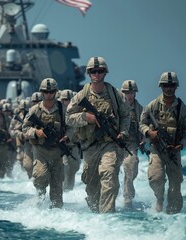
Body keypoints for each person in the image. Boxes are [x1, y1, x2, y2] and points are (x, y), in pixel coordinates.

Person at [66, 56, 131, 213]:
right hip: (90, 146)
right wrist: (85, 117)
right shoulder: (81, 96)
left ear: (105, 73)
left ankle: (107, 215)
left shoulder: (116, 95)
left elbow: (126, 116)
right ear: (89, 73)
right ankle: (96, 214)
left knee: (108, 175)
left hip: (111, 144)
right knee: (92, 185)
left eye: (100, 71)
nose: (97, 74)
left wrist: (123, 131)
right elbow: (68, 118)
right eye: (93, 71)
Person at [139, 71, 186, 214]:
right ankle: (159, 198)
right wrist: (149, 133)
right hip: (157, 149)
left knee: (175, 186)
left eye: (171, 85)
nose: (169, 88)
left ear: (176, 87)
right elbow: (142, 123)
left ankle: (172, 214)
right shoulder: (153, 105)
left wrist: (180, 145)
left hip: (173, 152)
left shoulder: (182, 109)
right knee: (156, 178)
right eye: (165, 85)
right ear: (161, 86)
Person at [22, 78, 74, 208]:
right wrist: (36, 132)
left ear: (55, 92)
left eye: (51, 92)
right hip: (40, 151)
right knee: (40, 176)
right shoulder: (35, 110)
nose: (49, 94)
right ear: (42, 92)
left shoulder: (63, 109)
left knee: (57, 185)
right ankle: (39, 200)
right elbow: (25, 129)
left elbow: (71, 127)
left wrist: (67, 136)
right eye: (46, 92)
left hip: (57, 152)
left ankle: (56, 214)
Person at [120, 80, 145, 209]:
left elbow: (145, 125)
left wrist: (143, 139)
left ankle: (127, 197)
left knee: (132, 168)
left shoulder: (139, 109)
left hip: (131, 144)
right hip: (115, 143)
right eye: (126, 92)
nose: (129, 95)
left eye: (131, 92)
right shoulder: (116, 105)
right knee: (108, 171)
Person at [60, 89, 81, 191]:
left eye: (69, 99)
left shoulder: (77, 111)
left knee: (74, 169)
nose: (67, 102)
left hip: (75, 146)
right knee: (65, 169)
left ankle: (69, 191)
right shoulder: (59, 113)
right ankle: (63, 191)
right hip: (63, 146)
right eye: (64, 100)